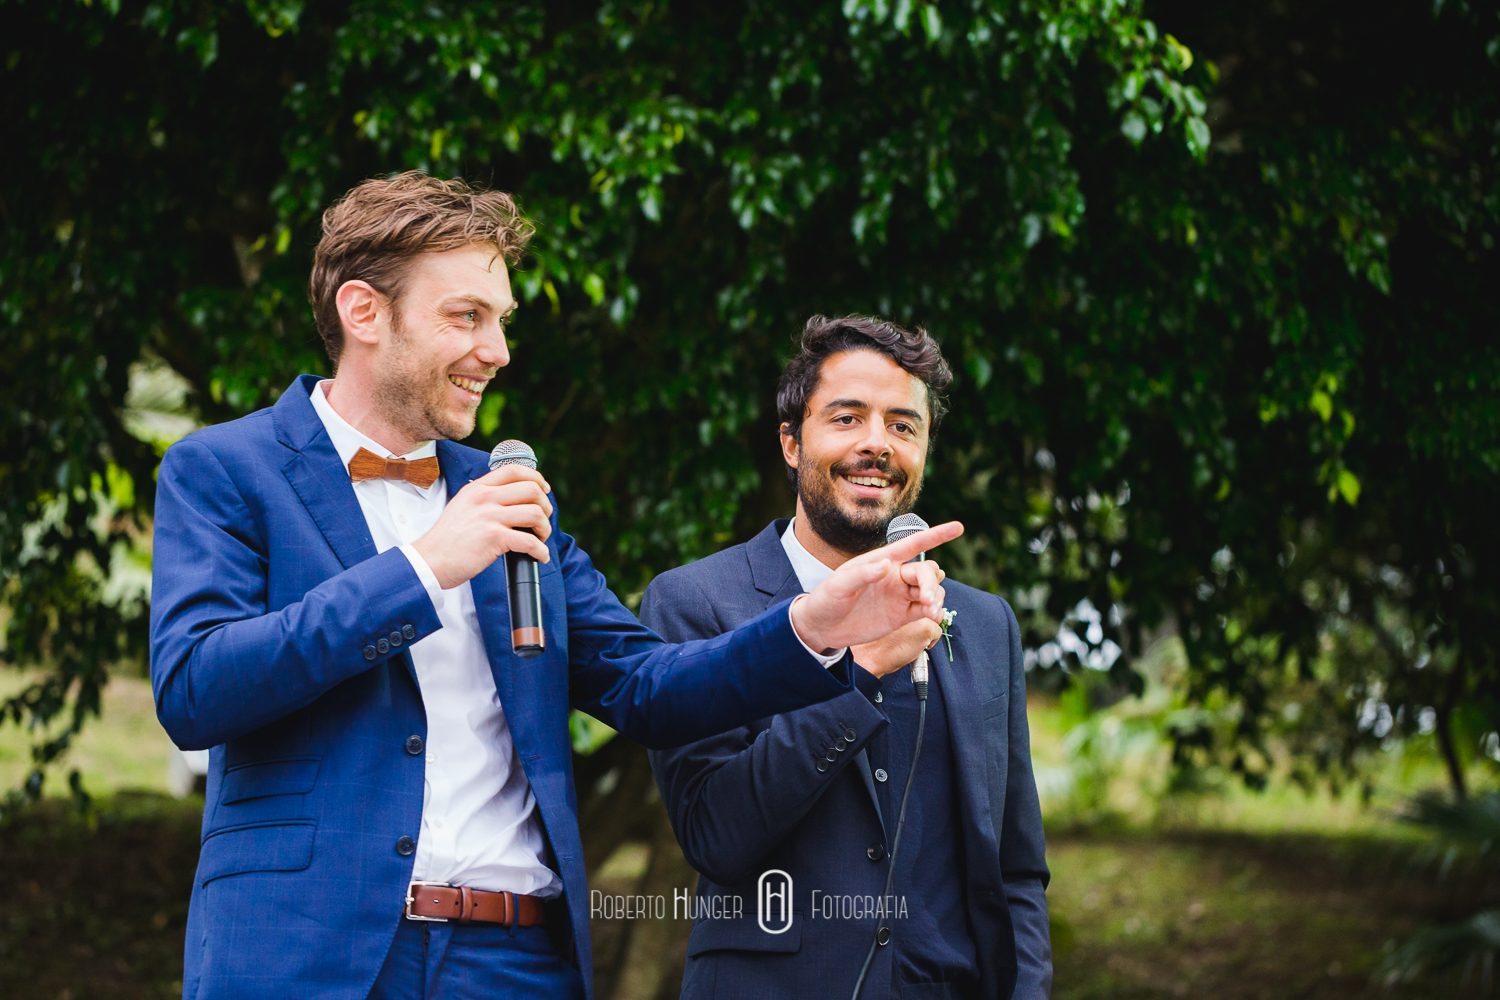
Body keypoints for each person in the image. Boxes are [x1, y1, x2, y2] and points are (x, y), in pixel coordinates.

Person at [148, 174, 961, 1000]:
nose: (496, 351)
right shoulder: (224, 471)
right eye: (466, 316)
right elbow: (195, 688)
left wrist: (811, 627)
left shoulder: (513, 493)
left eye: (500, 322)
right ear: (365, 313)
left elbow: (648, 688)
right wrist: (424, 568)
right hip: (305, 954)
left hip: (513, 960)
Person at [643, 315, 1052, 1000]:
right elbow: (716, 834)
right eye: (847, 418)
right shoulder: (696, 603)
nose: (876, 444)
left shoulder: (984, 623)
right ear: (791, 443)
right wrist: (857, 671)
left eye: (902, 425)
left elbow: (1015, 867)